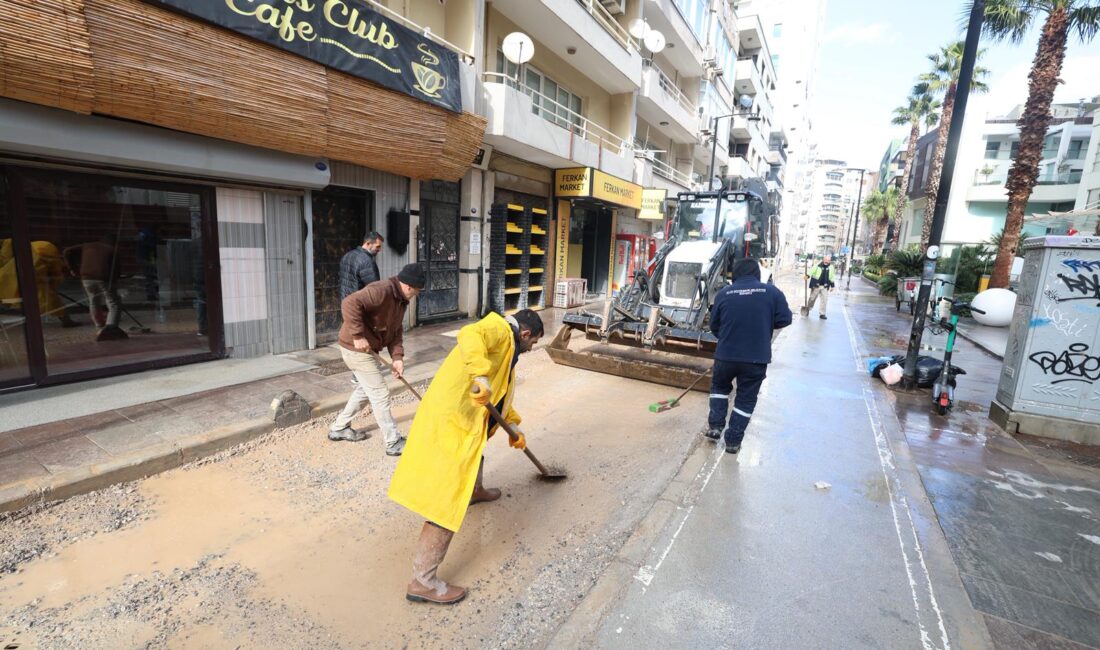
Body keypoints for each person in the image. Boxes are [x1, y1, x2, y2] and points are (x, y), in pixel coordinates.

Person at [388, 309, 544, 605]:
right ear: (525, 334)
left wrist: (514, 427)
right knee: (447, 500)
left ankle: (476, 490)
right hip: (452, 422)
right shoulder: (498, 328)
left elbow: (499, 397)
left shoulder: (510, 351)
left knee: (475, 458)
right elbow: (469, 335)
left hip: (467, 423)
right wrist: (480, 376)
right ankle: (422, 581)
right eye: (534, 342)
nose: (532, 348)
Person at [329, 263, 425, 454]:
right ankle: (393, 442)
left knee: (366, 390)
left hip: (366, 349)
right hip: (354, 348)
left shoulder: (400, 301)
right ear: (408, 287)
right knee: (380, 393)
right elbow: (349, 303)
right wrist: (357, 335)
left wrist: (397, 358)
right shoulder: (381, 290)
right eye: (416, 292)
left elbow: (396, 330)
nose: (416, 295)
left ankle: (339, 428)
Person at [705, 258, 792, 454]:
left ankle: (715, 427)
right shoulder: (772, 292)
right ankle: (733, 442)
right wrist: (763, 327)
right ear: (756, 274)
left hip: (726, 355)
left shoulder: (725, 293)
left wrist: (728, 338)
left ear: (735, 274)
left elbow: (714, 325)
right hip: (755, 358)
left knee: (719, 388)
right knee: (745, 399)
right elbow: (785, 319)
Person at [63, 234, 127, 341]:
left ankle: (100, 327)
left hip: (86, 277)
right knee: (113, 302)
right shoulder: (112, 250)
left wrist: (72, 268)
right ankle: (111, 328)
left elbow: (66, 251)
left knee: (93, 301)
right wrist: (116, 282)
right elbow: (116, 270)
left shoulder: (88, 245)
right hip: (103, 278)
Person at [339, 231, 384, 302]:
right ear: (368, 243)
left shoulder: (347, 255)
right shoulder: (367, 262)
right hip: (359, 306)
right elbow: (375, 290)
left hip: (345, 304)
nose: (379, 250)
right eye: (378, 246)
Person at [806, 254, 837, 320]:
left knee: (824, 300)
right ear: (823, 259)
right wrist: (807, 276)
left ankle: (822, 314)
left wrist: (832, 286)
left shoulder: (831, 267)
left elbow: (832, 277)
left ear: (830, 261)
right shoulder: (817, 265)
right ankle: (808, 309)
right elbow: (811, 271)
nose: (827, 261)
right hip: (816, 285)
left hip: (825, 286)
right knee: (812, 298)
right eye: (826, 260)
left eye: (828, 260)